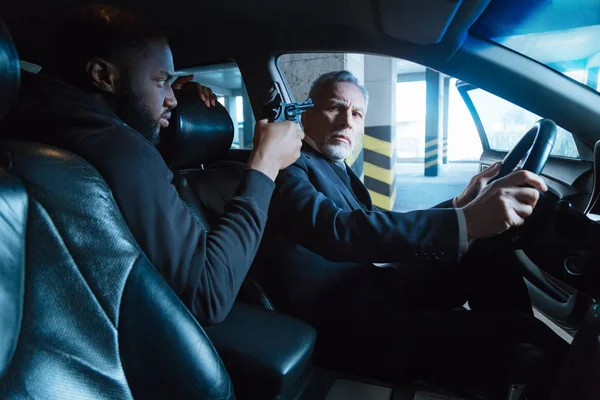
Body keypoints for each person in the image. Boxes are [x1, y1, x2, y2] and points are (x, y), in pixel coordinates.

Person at [256, 70, 568, 397]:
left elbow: (378, 222)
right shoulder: (286, 166)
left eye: (357, 113)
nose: (347, 121)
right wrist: (466, 220)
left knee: (485, 256)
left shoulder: (331, 165)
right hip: (348, 326)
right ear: (306, 112)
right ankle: (509, 363)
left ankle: (499, 371)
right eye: (335, 107)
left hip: (372, 290)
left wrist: (460, 205)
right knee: (528, 335)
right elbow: (337, 229)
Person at [1, 4, 304, 326]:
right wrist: (264, 165)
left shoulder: (36, 127)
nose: (172, 99)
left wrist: (166, 97)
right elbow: (208, 296)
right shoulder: (120, 151)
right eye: (161, 81)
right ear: (103, 76)